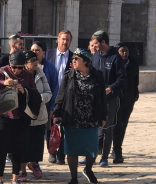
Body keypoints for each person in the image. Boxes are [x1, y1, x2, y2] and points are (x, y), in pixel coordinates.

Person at [53, 48, 107, 184]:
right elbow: (61, 95)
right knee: (72, 149)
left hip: (91, 118)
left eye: (76, 58)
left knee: (92, 149)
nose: (73, 61)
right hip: (72, 118)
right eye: (73, 59)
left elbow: (102, 97)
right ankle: (74, 178)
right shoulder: (69, 75)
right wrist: (57, 113)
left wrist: (103, 116)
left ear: (86, 61)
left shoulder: (97, 76)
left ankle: (88, 169)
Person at [0, 51, 36, 184]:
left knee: (18, 147)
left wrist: (24, 90)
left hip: (20, 115)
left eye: (20, 67)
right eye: (14, 67)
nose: (17, 70)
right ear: (9, 64)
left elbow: (35, 92)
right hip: (2, 114)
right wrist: (4, 83)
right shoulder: (1, 71)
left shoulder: (27, 75)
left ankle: (15, 178)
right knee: (1, 147)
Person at [91, 30, 126, 167]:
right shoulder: (96, 56)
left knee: (107, 127)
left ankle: (104, 157)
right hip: (96, 98)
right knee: (94, 127)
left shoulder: (116, 58)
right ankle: (91, 155)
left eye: (96, 43)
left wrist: (111, 88)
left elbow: (122, 79)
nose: (94, 46)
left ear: (103, 42)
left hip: (110, 99)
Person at [18, 51, 52, 182]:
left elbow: (48, 92)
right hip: (24, 115)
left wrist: (38, 98)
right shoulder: (20, 75)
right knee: (23, 144)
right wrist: (29, 98)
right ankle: (22, 171)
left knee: (36, 144)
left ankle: (33, 164)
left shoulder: (40, 74)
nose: (36, 64)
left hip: (39, 114)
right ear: (26, 64)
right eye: (32, 62)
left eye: (36, 61)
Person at [45, 30, 74, 165]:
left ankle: (62, 154)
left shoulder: (74, 58)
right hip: (50, 94)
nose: (65, 42)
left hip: (66, 97)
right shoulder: (48, 54)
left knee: (64, 127)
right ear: (58, 39)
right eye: (63, 39)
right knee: (50, 126)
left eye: (67, 40)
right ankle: (52, 152)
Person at [31, 41, 58, 165]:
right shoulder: (26, 66)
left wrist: (52, 106)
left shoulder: (50, 67)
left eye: (37, 50)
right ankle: (33, 159)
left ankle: (52, 152)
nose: (34, 52)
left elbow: (54, 87)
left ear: (43, 53)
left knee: (48, 129)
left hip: (45, 105)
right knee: (34, 135)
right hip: (30, 107)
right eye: (33, 50)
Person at [112, 42, 139, 164]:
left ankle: (117, 150)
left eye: (126, 51)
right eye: (122, 51)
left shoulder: (133, 64)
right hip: (115, 99)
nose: (124, 53)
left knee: (123, 125)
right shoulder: (114, 63)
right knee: (115, 125)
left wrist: (134, 95)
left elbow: (136, 81)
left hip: (128, 99)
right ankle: (113, 150)